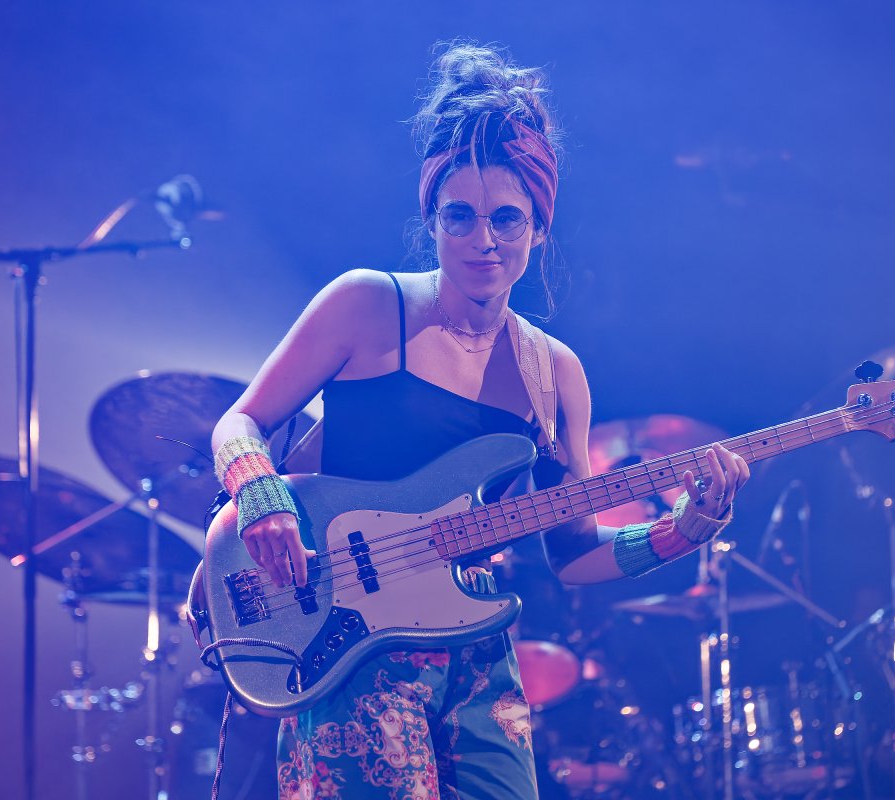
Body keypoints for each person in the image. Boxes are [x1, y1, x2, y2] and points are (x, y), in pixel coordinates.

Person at [210, 41, 750, 800]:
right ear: (431, 218)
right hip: (350, 650)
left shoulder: (555, 372)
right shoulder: (367, 305)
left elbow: (573, 550)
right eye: (458, 216)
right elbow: (239, 422)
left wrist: (685, 529)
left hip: (476, 655)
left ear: (540, 228)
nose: (482, 240)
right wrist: (262, 498)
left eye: (506, 219)